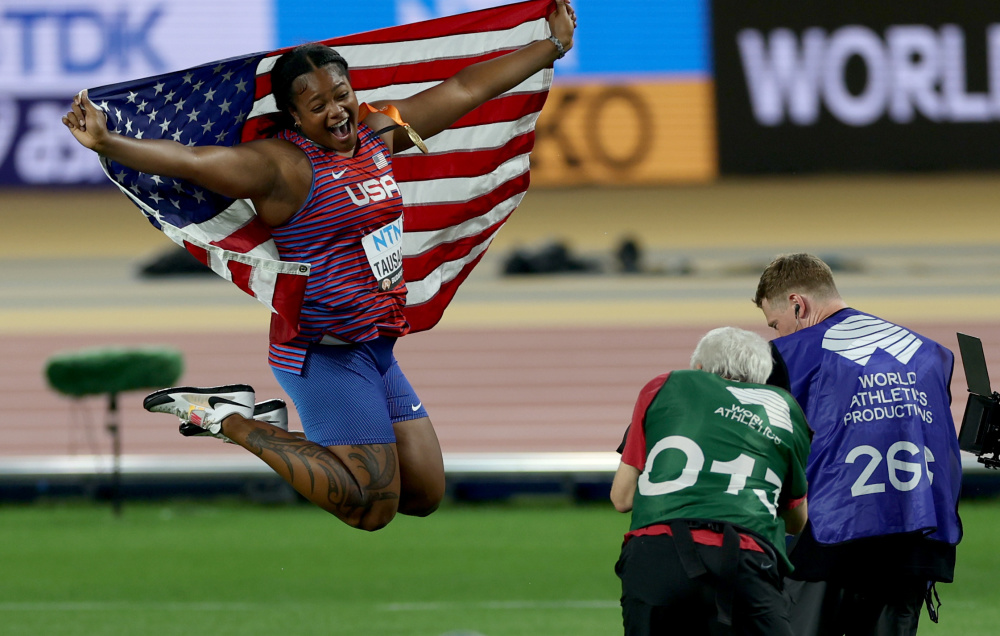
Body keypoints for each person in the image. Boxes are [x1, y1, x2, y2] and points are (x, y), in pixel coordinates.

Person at [62, 1, 577, 532]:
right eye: (317, 105)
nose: (336, 111)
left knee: (422, 493)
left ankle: (256, 420)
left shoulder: (376, 136)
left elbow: (464, 90)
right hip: (322, 352)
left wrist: (551, 46)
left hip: (375, 345)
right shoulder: (279, 167)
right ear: (293, 116)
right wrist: (108, 143)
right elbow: (192, 162)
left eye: (341, 94)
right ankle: (232, 419)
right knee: (371, 509)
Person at [752, 253, 963, 635]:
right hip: (918, 538)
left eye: (777, 324)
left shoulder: (788, 354)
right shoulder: (930, 353)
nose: (778, 334)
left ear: (798, 305)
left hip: (829, 539)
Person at [611, 326, 811, 635]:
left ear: (701, 368)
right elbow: (797, 521)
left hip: (657, 551)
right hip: (746, 555)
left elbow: (621, 498)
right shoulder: (784, 407)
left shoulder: (665, 386)